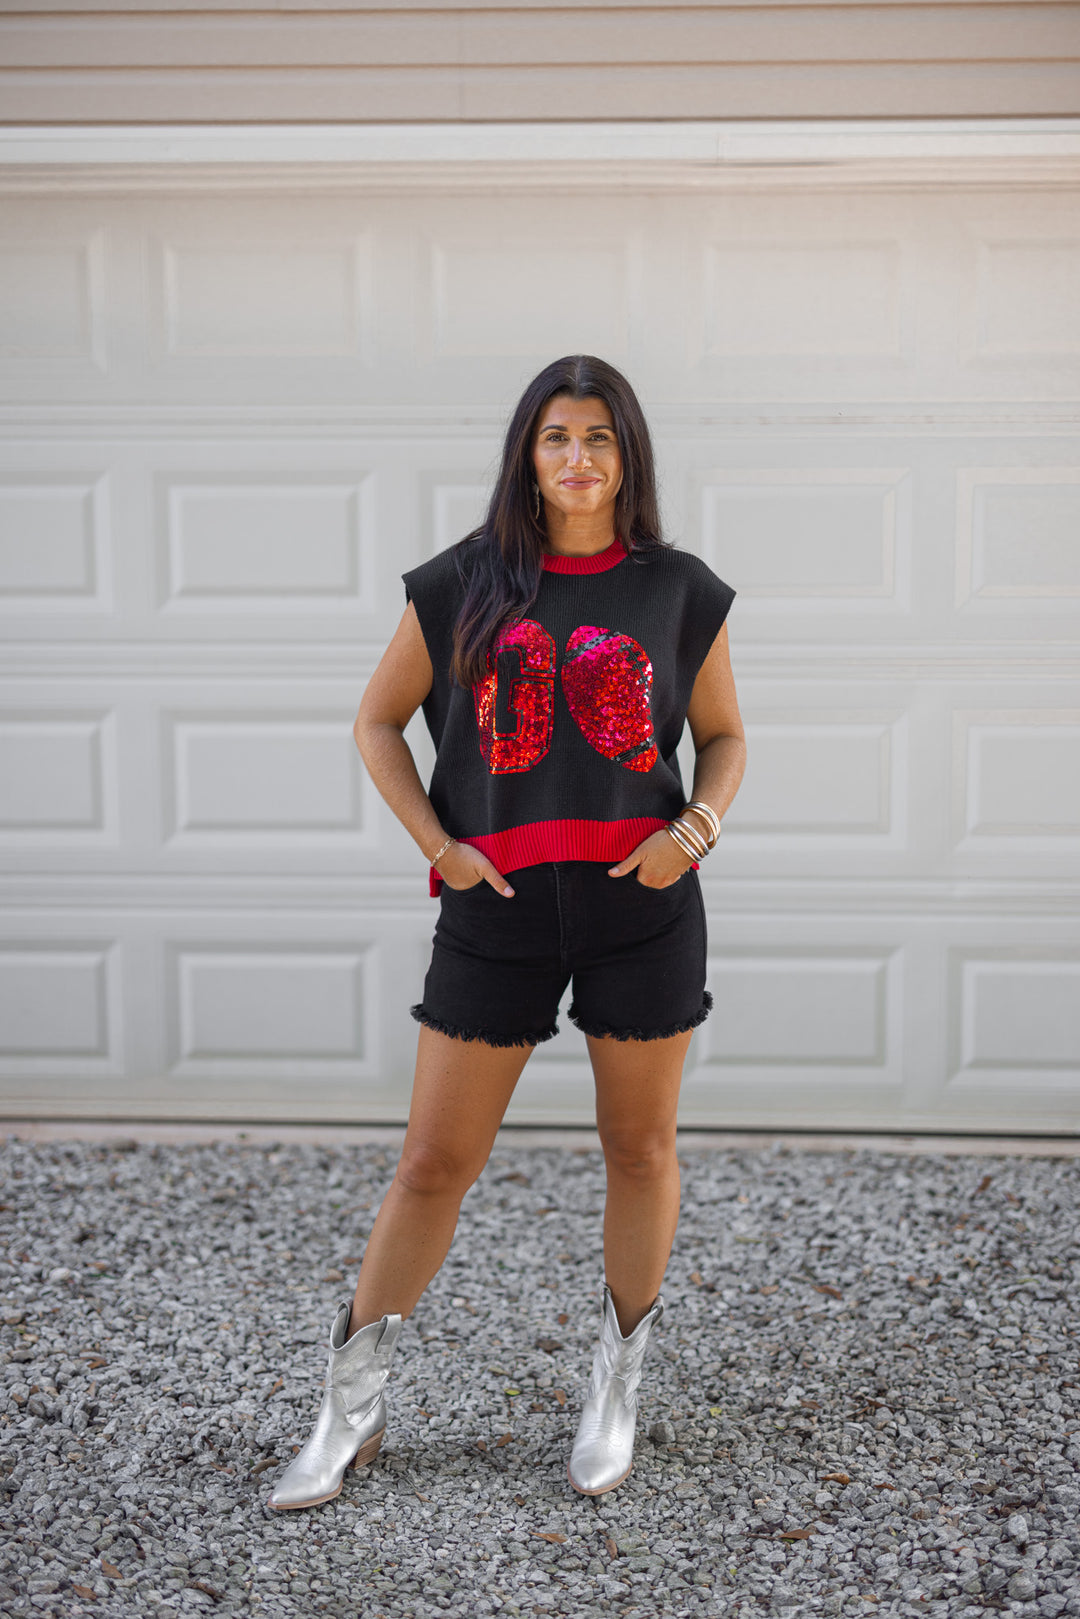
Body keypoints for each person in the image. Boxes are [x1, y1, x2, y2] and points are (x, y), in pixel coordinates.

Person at [268, 354, 746, 1511]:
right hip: (498, 910)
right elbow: (379, 722)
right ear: (526, 457)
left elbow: (726, 738)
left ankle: (615, 1388)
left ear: (626, 456)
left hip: (643, 906)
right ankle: (350, 1407)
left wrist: (695, 827)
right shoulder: (463, 582)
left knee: (639, 1152)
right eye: (555, 438)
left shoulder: (679, 589)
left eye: (599, 437)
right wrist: (442, 845)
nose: (578, 458)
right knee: (435, 1162)